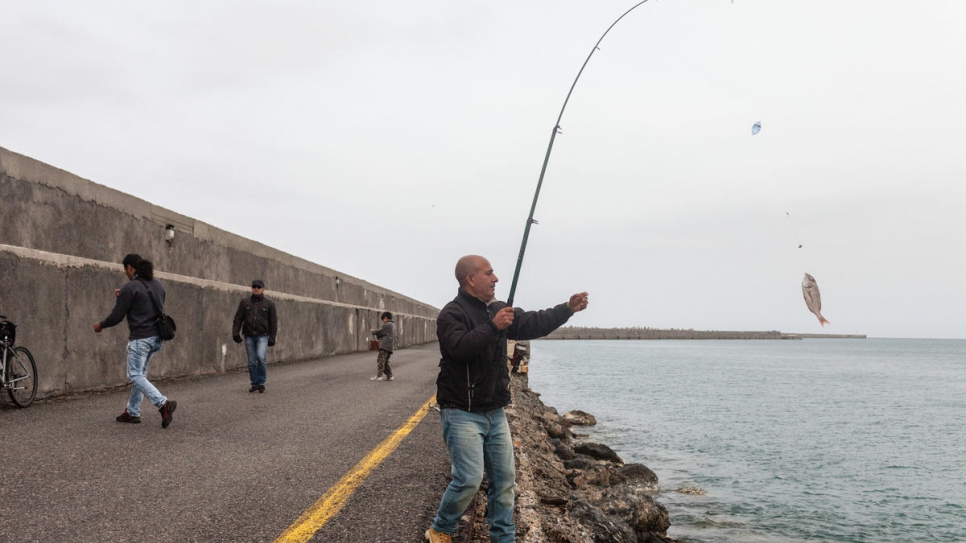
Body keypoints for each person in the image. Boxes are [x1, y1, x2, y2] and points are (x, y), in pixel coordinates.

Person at [425, 255, 588, 543]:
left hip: (495, 411)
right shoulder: (451, 314)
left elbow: (533, 323)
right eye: (489, 273)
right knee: (468, 480)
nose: (496, 279)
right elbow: (459, 348)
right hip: (461, 411)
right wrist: (494, 327)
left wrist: (567, 309)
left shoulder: (498, 310)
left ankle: (503, 538)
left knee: (504, 482)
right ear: (470, 279)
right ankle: (441, 529)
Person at [94, 254, 178, 429]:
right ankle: (132, 412)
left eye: (126, 270)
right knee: (140, 375)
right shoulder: (158, 285)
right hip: (156, 338)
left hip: (140, 339)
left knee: (135, 375)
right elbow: (146, 306)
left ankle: (163, 404)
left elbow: (117, 316)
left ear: (131, 268)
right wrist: (124, 296)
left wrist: (101, 325)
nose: (126, 273)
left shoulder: (130, 287)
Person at [232, 279, 278, 393]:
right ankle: (254, 383)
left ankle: (261, 382)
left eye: (258, 287)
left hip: (263, 335)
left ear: (263, 289)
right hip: (249, 335)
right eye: (254, 287)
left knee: (261, 357)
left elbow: (273, 322)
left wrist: (272, 337)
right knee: (252, 361)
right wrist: (235, 333)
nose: (256, 289)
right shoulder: (245, 302)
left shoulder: (269, 304)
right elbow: (238, 319)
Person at [369, 311, 395, 381]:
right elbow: (383, 333)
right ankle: (390, 376)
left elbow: (380, 331)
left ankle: (379, 376)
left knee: (381, 361)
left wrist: (373, 331)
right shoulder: (392, 325)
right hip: (389, 347)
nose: (383, 321)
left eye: (383, 319)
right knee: (385, 362)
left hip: (385, 346)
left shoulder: (388, 324)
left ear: (386, 318)